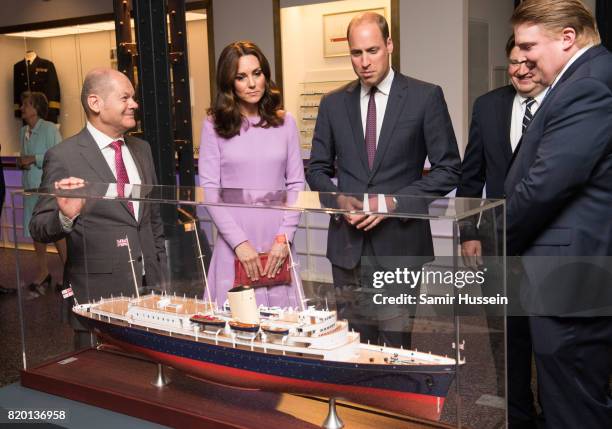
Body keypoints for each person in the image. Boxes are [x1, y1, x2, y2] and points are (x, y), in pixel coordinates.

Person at [306, 12, 461, 346]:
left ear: (389, 45)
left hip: (400, 245)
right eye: (356, 53)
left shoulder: (425, 97)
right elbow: (316, 169)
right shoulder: (333, 104)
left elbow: (448, 168)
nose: (364, 62)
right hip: (347, 248)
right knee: (353, 343)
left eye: (372, 50)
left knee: (395, 344)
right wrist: (338, 200)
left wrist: (393, 202)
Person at [506, 1, 612, 427]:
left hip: (570, 279)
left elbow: (546, 185)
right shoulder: (584, 78)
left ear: (568, 37)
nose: (524, 58)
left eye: (530, 45)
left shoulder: (588, 84)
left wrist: (496, 234)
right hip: (566, 275)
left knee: (573, 406)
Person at [29, 68, 167, 346]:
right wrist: (65, 217)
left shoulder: (142, 150)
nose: (134, 104)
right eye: (125, 98)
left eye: (134, 98)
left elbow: (152, 221)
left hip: (149, 294)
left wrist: (161, 276)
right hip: (96, 301)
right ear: (95, 103)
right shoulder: (63, 156)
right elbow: (38, 227)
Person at [458, 35, 546, 428]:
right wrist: (468, 233)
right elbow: (470, 175)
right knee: (505, 336)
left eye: (529, 61)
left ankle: (558, 414)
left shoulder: (564, 105)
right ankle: (518, 416)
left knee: (550, 338)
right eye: (513, 61)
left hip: (548, 244)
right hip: (495, 243)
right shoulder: (488, 106)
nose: (521, 69)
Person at [199, 41, 305, 308]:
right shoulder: (213, 126)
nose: (252, 83)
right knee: (233, 329)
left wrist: (285, 237)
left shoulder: (285, 122)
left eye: (257, 73)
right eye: (241, 77)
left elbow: (296, 183)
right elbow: (210, 191)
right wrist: (239, 243)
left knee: (285, 331)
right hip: (234, 241)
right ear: (229, 83)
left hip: (277, 240)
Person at [17, 91, 65, 296]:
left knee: (56, 231)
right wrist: (23, 162)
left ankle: (69, 273)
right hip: (30, 188)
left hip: (47, 189)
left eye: (26, 105)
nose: (22, 108)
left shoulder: (49, 129)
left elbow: (58, 155)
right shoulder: (23, 131)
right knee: (37, 230)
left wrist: (33, 159)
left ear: (36, 108)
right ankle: (43, 271)